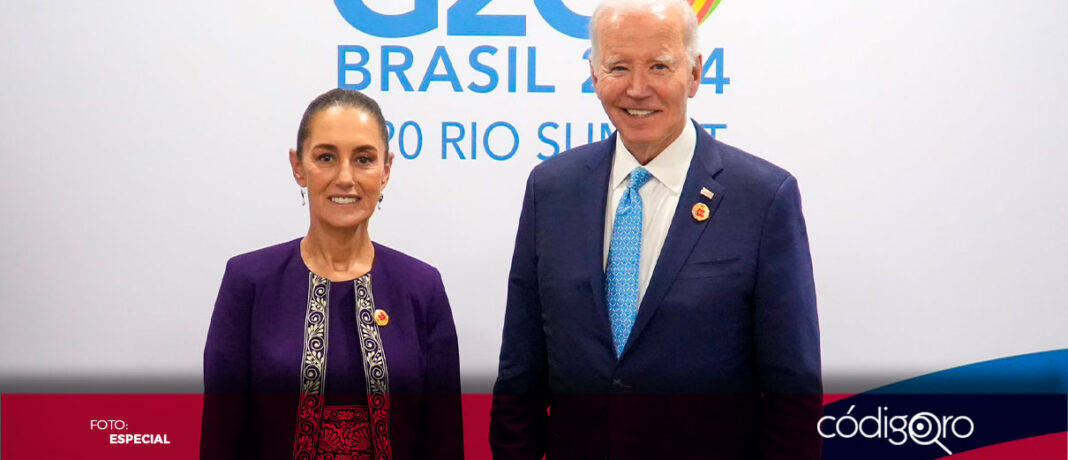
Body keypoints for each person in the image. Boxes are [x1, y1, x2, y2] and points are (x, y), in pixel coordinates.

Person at [489, 1, 822, 459]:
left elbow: (793, 393)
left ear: (695, 73)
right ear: (593, 74)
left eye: (659, 66)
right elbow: (520, 373)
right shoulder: (551, 189)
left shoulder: (763, 198)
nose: (638, 88)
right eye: (619, 67)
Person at [200, 88, 463, 460]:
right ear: (298, 166)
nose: (345, 178)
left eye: (363, 159)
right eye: (326, 157)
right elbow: (220, 440)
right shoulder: (249, 282)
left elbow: (444, 442)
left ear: (386, 170)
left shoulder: (422, 287)